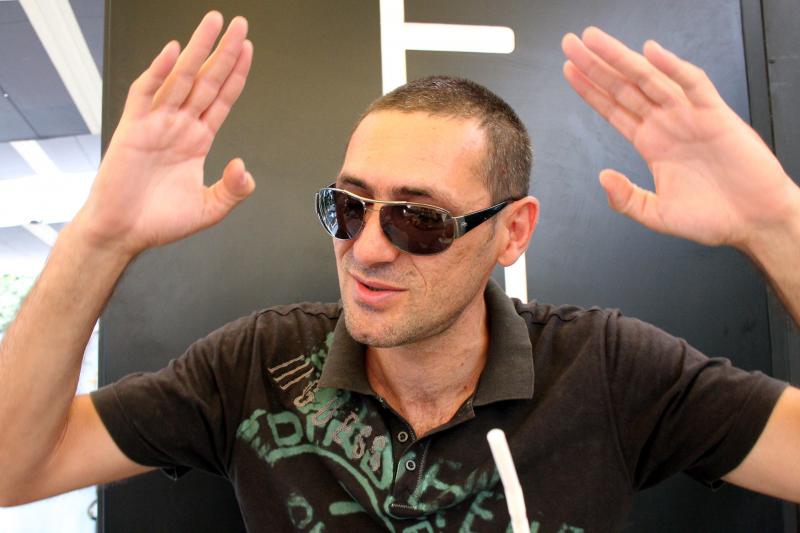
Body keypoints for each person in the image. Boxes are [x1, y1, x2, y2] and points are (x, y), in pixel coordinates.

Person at [0, 10, 799, 532]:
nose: (369, 248)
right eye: (349, 206)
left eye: (420, 219)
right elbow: (13, 467)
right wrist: (99, 238)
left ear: (511, 232)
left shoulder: (606, 370)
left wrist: (778, 225)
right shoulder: (257, 367)